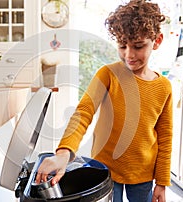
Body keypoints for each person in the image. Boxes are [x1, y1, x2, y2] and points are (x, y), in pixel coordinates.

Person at [35, 0, 173, 201]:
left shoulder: (164, 87)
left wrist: (162, 182)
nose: (129, 55)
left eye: (138, 46)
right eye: (122, 45)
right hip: (105, 169)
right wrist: (64, 153)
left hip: (144, 173)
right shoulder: (108, 74)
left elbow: (165, 137)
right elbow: (83, 112)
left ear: (157, 41)